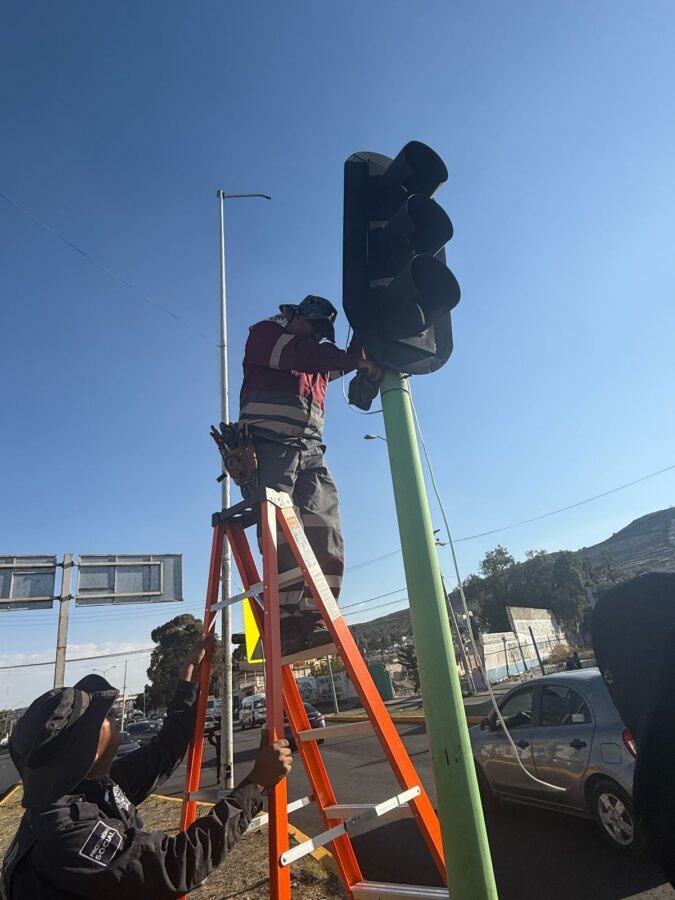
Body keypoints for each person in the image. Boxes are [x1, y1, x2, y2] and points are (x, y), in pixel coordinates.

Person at [1, 637, 292, 900]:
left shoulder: (91, 784)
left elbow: (165, 750)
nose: (113, 715)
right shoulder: (67, 836)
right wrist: (255, 783)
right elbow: (176, 864)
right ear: (84, 752)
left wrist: (188, 675)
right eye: (101, 717)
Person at [238, 295, 382, 656]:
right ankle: (286, 622)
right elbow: (311, 357)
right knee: (280, 534)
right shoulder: (267, 335)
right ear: (297, 316)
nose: (319, 336)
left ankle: (317, 615)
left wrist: (366, 334)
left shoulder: (314, 353)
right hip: (269, 447)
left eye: (323, 332)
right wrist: (354, 357)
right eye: (315, 327)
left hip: (311, 451)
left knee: (325, 527)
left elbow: (335, 363)